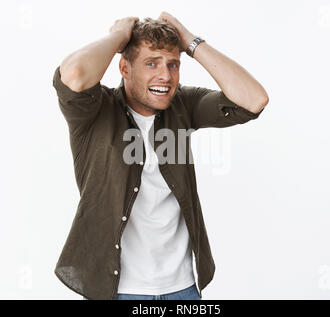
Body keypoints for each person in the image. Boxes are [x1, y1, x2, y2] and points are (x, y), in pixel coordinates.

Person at [52, 12, 269, 300]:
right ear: (125, 68)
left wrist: (190, 41)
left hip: (183, 288)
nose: (165, 76)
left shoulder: (184, 104)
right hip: (117, 290)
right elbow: (74, 74)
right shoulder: (95, 111)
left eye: (172, 64)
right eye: (151, 63)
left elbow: (253, 99)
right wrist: (119, 35)